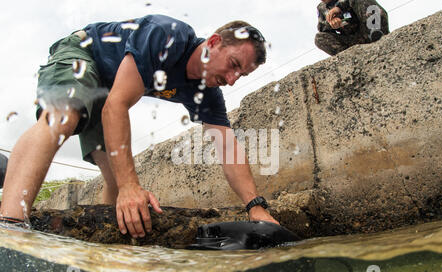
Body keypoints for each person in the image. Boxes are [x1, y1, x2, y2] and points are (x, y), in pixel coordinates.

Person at [0, 14, 279, 237]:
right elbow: (117, 106)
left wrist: (255, 207)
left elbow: (228, 146)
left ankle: (107, 242)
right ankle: (9, 226)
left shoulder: (208, 93)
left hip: (107, 91)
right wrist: (132, 186)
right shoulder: (169, 34)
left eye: (241, 75)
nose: (232, 79)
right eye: (233, 65)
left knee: (113, 175)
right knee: (64, 116)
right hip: (82, 55)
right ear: (214, 42)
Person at [315, 0, 389, 56]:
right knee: (319, 38)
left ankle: (376, 33)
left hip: (369, 30)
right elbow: (322, 27)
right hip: (354, 40)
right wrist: (332, 23)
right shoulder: (321, 8)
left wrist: (339, 7)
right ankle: (348, 56)